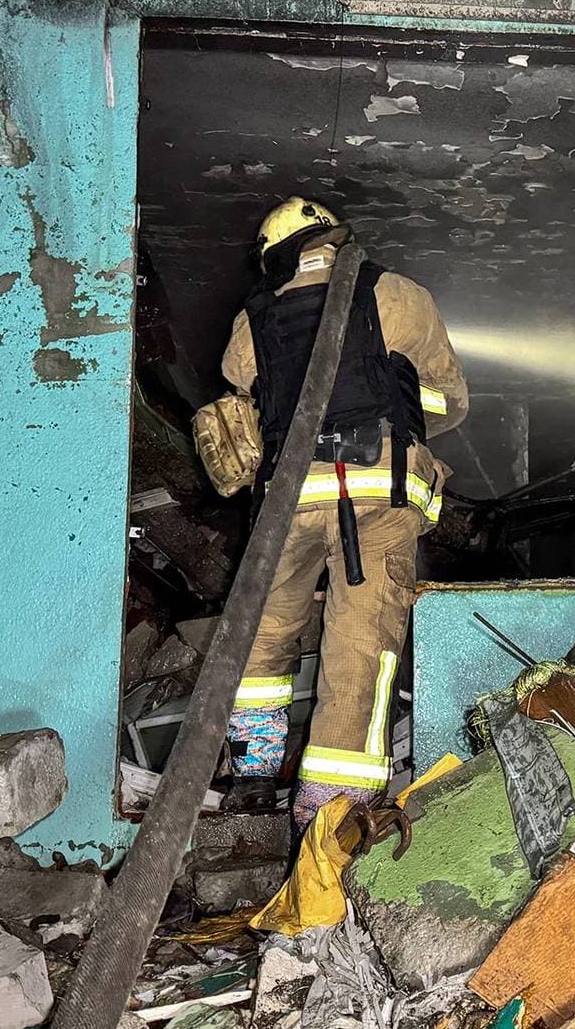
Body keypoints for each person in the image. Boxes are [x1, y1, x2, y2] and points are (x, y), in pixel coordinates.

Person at [193, 197, 467, 828]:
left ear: (272, 257)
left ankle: (254, 778)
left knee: (262, 633)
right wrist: (399, 401)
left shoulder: (250, 321)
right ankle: (330, 808)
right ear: (335, 240)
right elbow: (448, 403)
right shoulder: (399, 296)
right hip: (378, 497)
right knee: (359, 643)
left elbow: (242, 388)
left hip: (288, 503)